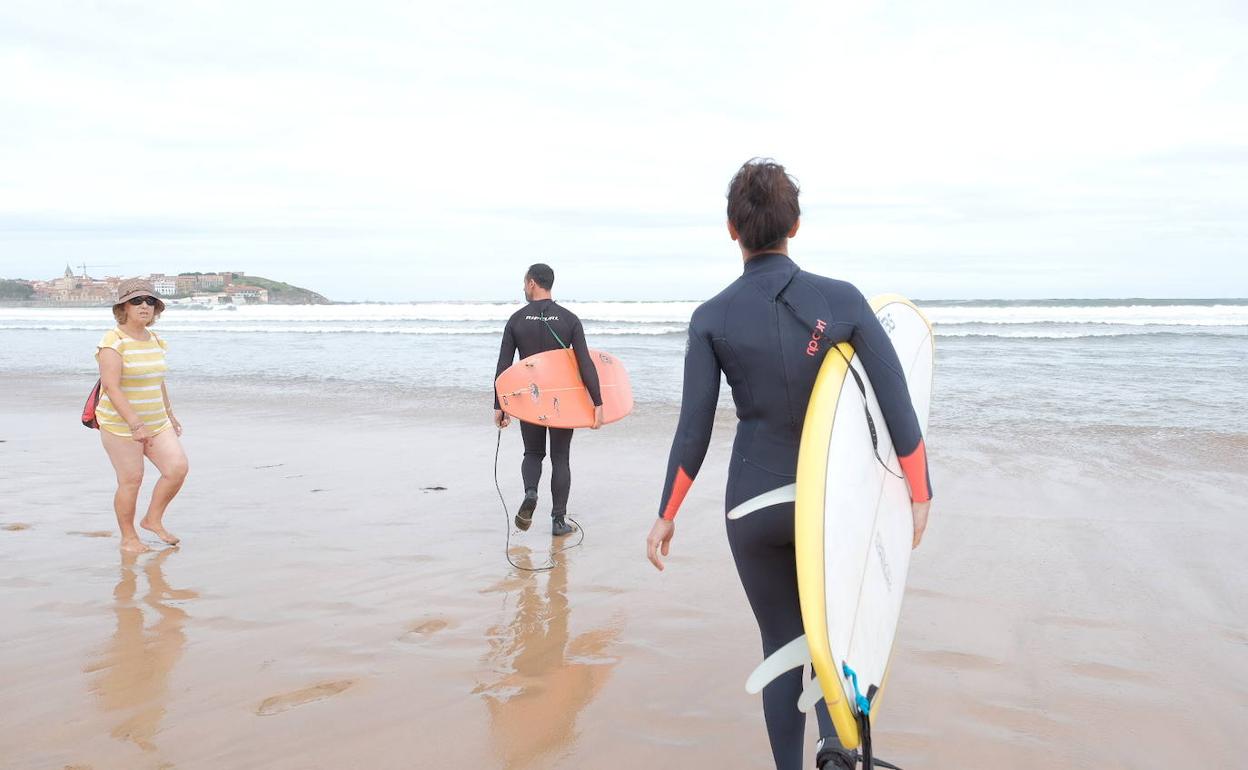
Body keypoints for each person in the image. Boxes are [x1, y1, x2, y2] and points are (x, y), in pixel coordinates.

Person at [643, 159, 933, 770]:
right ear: (795, 225)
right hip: (827, 504)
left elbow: (692, 428)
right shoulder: (842, 300)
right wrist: (919, 489)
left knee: (783, 642)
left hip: (751, 505)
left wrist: (666, 515)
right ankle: (836, 749)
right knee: (838, 636)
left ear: (731, 229)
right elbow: (896, 399)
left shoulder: (710, 319)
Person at [494, 264, 603, 537]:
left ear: (532, 283)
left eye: (524, 283)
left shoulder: (517, 320)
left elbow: (504, 367)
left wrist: (500, 405)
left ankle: (531, 492)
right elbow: (585, 364)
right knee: (560, 457)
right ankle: (558, 521)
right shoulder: (569, 319)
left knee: (532, 453)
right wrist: (597, 403)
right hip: (561, 402)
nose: (523, 288)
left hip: (530, 399)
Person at [95, 278, 189, 554]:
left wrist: (169, 414)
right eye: (136, 301)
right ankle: (129, 538)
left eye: (150, 301)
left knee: (177, 469)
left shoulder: (155, 340)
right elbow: (110, 387)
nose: (144, 306)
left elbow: (157, 380)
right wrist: (135, 424)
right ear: (123, 307)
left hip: (157, 421)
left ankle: (152, 519)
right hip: (121, 424)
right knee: (131, 480)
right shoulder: (113, 341)